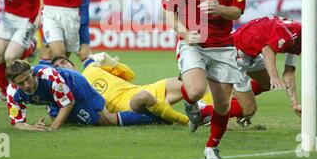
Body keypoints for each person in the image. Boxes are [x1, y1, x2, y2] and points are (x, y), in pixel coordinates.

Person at [162, 0, 246, 159]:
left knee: (222, 105)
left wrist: (220, 9)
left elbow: (238, 10)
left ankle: (212, 147)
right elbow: (169, 11)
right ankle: (192, 106)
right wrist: (185, 33)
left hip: (223, 46)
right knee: (197, 90)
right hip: (194, 44)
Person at [211, 15, 317, 126]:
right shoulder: (290, 34)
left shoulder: (299, 37)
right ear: (309, 27)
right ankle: (204, 113)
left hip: (252, 52)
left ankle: (240, 100)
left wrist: (294, 103)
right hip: (235, 52)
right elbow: (267, 49)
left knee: (267, 84)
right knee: (249, 109)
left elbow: (289, 71)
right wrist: (274, 76)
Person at [51, 53, 204, 126]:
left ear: (73, 65)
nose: (61, 67)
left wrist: (112, 62)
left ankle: (209, 113)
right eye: (57, 67)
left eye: (63, 63)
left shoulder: (92, 68)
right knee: (144, 96)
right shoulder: (72, 89)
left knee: (192, 83)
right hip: (129, 104)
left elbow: (130, 74)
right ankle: (188, 122)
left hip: (142, 88)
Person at [5, 59, 161, 131]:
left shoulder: (49, 76)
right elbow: (17, 122)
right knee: (64, 120)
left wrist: (52, 128)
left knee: (105, 121)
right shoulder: (12, 93)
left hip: (75, 85)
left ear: (32, 73)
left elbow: (68, 103)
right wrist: (34, 128)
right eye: (20, 83)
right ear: (13, 83)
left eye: (27, 79)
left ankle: (154, 118)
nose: (26, 85)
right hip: (55, 96)